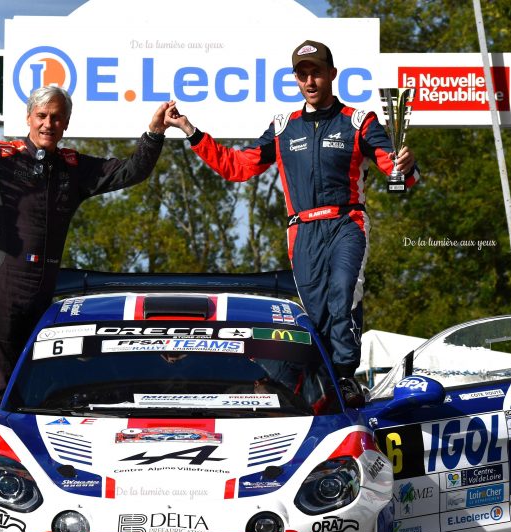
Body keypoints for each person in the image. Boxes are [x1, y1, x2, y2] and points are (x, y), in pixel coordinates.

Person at [162, 40, 418, 406]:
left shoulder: (359, 121)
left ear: (332, 74)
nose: (310, 81)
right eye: (302, 74)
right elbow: (237, 167)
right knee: (313, 317)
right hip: (302, 232)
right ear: (296, 80)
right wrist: (191, 131)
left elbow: (393, 169)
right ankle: (303, 391)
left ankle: (344, 377)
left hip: (346, 223)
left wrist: (405, 168)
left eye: (316, 72)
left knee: (343, 291)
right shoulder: (284, 127)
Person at [0, 87, 171, 401]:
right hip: (2, 282)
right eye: (41, 116)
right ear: (28, 118)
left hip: (45, 289)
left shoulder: (74, 167)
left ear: (66, 123)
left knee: (41, 382)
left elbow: (131, 171)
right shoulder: (0, 156)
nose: (48, 124)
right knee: (0, 386)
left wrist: (154, 133)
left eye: (56, 118)